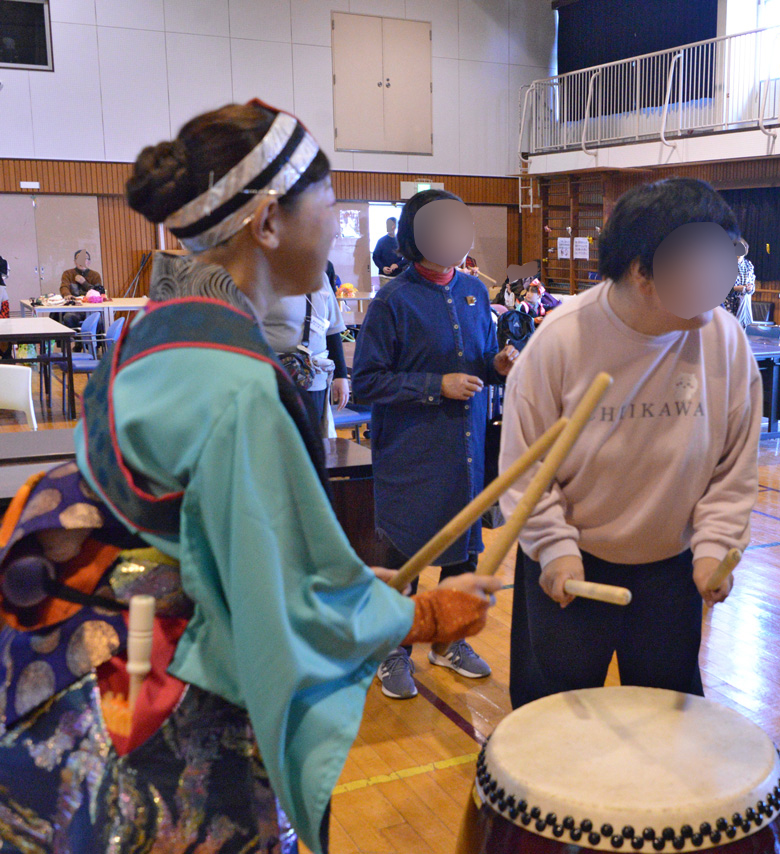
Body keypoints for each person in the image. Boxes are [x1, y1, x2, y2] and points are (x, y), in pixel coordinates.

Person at [0, 101, 500, 854]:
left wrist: (334, 567)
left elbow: (201, 524)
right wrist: (420, 618)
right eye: (328, 204)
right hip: (165, 680)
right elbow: (287, 602)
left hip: (100, 647)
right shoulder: (236, 382)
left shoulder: (160, 328)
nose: (336, 226)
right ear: (268, 223)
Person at [500, 177, 762, 709]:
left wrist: (714, 547)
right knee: (554, 720)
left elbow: (733, 466)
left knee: (668, 718)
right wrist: (554, 549)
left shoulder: (725, 340)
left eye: (725, 254)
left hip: (671, 568)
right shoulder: (561, 339)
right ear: (643, 270)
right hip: (574, 560)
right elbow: (526, 469)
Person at [353, 188, 518, 697]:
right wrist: (434, 386)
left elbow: (479, 360)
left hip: (465, 450)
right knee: (405, 557)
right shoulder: (392, 301)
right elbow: (366, 385)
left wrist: (496, 366)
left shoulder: (473, 291)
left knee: (462, 552)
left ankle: (448, 642)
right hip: (411, 452)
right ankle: (393, 650)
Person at [261, 276, 350, 432]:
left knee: (312, 439)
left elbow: (332, 330)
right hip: (276, 377)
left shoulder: (320, 276)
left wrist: (341, 375)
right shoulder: (263, 275)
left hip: (316, 376)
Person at [56, 249, 102, 332]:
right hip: (75, 308)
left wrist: (84, 283)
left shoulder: (95, 275)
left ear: (89, 262)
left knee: (99, 320)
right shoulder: (68, 273)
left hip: (91, 308)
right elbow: (64, 286)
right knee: (68, 317)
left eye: (85, 259)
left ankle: (92, 344)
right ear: (75, 262)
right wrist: (67, 295)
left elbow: (98, 293)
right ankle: (77, 342)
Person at [722, 238, 757, 327]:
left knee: (743, 332)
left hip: (742, 303)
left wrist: (750, 288)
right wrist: (736, 288)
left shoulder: (748, 264)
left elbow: (752, 284)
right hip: (728, 304)